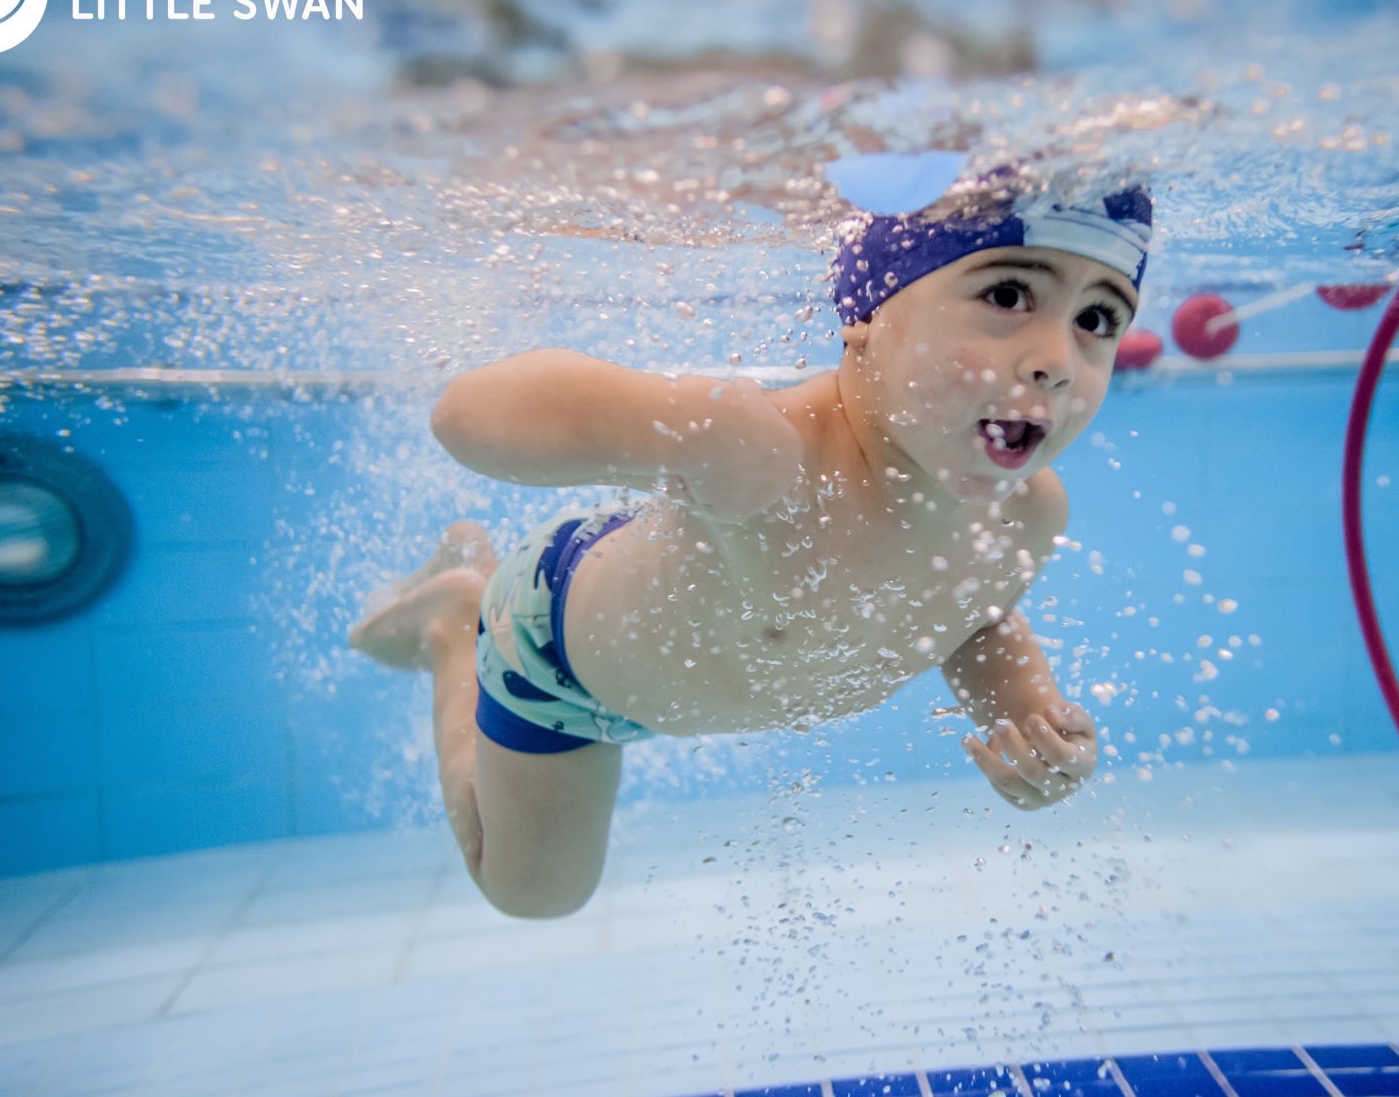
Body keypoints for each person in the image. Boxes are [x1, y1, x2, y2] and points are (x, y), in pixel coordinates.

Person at [350, 177, 1153, 917]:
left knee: (539, 899)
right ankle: (456, 616)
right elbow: (462, 416)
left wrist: (1026, 717)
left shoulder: (1028, 514)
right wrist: (670, 423)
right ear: (869, 314)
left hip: (659, 664)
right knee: (531, 895)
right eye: (1009, 294)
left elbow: (972, 618)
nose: (1056, 361)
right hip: (556, 650)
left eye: (1098, 320)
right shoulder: (772, 455)